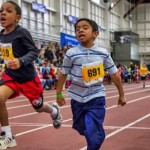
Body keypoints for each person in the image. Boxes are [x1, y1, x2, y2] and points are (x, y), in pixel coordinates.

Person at [56, 18, 126, 150]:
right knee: (82, 128)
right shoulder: (71, 54)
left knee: (93, 135)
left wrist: (121, 94)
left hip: (96, 97)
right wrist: (59, 93)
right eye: (77, 29)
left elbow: (114, 74)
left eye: (85, 27)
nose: (80, 30)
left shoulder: (103, 53)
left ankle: (95, 138)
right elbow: (63, 74)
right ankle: (95, 133)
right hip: (77, 98)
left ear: (95, 33)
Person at [0, 1, 62, 149]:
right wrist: (5, 66)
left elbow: (34, 52)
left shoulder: (22, 32)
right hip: (11, 76)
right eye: (1, 10)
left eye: (8, 11)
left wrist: (21, 61)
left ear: (17, 18)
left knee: (39, 107)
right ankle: (7, 136)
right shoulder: (1, 35)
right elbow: (7, 55)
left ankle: (54, 111)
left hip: (28, 79)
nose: (3, 13)